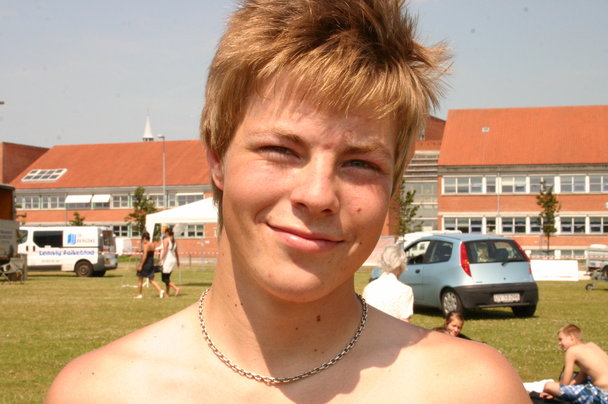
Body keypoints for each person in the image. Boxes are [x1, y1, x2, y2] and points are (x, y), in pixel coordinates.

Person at [46, 1, 530, 402]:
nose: (318, 195)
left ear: (392, 186)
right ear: (217, 157)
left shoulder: (472, 390)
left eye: (360, 163)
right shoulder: (99, 392)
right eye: (281, 150)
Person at [541, 324, 608, 403]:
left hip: (603, 395)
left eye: (561, 339)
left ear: (571, 337)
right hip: (602, 390)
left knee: (549, 386)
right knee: (586, 379)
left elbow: (564, 383)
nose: (559, 343)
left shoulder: (572, 351)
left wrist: (555, 392)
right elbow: (582, 376)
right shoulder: (592, 345)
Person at [362, 244, 413, 322]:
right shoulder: (405, 291)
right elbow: (405, 322)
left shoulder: (368, 288)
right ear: (401, 264)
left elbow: (363, 318)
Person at [134, 231, 165, 299]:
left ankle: (139, 294)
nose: (143, 241)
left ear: (145, 238)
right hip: (151, 263)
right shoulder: (153, 244)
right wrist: (140, 251)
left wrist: (141, 265)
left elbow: (145, 256)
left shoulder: (146, 245)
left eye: (143, 240)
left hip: (145, 264)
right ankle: (160, 290)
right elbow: (149, 252)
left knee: (140, 279)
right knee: (151, 279)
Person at [159, 226, 180, 297]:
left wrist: (161, 259)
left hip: (167, 260)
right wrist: (178, 261)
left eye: (165, 232)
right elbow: (176, 252)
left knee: (164, 279)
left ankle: (176, 288)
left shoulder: (166, 240)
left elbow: (165, 250)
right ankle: (167, 294)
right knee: (167, 278)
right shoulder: (174, 241)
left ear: (167, 233)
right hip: (173, 260)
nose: (164, 234)